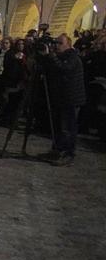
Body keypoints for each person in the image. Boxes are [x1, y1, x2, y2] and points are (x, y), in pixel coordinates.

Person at [43, 34, 86, 166]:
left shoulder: (72, 56)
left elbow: (64, 68)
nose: (57, 46)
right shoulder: (61, 56)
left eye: (60, 43)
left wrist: (52, 57)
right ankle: (57, 149)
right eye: (56, 43)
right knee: (59, 126)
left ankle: (68, 154)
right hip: (61, 97)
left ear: (68, 44)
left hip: (71, 98)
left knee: (68, 128)